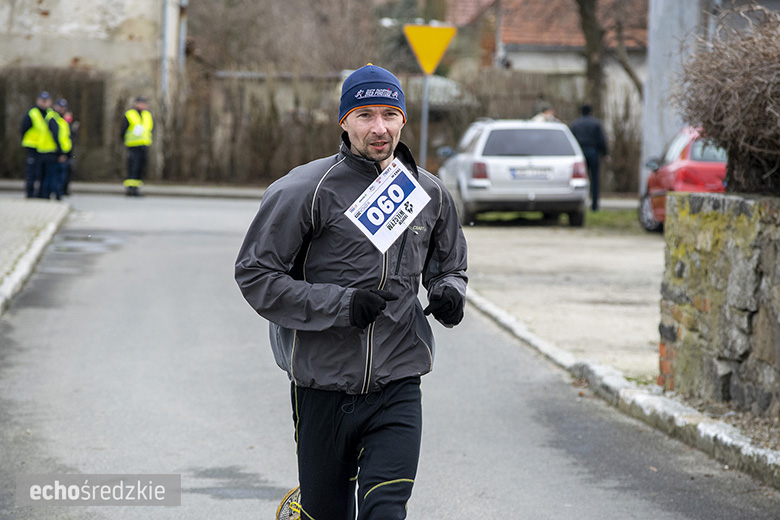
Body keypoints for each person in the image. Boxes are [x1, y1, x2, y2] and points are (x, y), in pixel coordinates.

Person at [235, 64, 468, 520]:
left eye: (389, 114)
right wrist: (341, 305)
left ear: (403, 118)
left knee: (385, 509)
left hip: (398, 381)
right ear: (343, 121)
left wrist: (449, 291)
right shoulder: (306, 189)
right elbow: (255, 275)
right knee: (328, 513)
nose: (378, 128)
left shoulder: (429, 192)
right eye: (364, 115)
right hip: (322, 383)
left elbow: (451, 263)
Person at [570, 104, 609, 211]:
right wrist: (605, 154)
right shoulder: (596, 123)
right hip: (593, 152)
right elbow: (602, 140)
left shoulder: (575, 124)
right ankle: (595, 205)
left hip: (579, 153)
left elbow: (571, 139)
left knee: (580, 179)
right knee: (595, 179)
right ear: (591, 112)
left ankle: (579, 204)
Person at [19, 91, 54, 198]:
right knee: (31, 172)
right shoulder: (32, 113)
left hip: (45, 148)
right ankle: (29, 193)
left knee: (42, 172)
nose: (44, 103)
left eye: (46, 101)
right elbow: (24, 129)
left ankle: (40, 194)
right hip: (33, 147)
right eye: (42, 101)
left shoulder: (51, 113)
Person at [119, 96, 153, 196]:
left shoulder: (147, 115)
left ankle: (136, 188)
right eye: (141, 103)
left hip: (144, 144)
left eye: (144, 104)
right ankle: (130, 189)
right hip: (133, 145)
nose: (143, 106)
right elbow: (123, 130)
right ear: (136, 104)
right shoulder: (130, 114)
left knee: (141, 167)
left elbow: (150, 129)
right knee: (133, 166)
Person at [44, 98, 73, 200]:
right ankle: (51, 194)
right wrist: (60, 153)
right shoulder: (53, 118)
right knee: (53, 175)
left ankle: (58, 193)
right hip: (55, 152)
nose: (61, 109)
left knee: (61, 175)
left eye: (63, 107)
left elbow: (67, 136)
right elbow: (56, 136)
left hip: (63, 152)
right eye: (60, 107)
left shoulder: (62, 119)